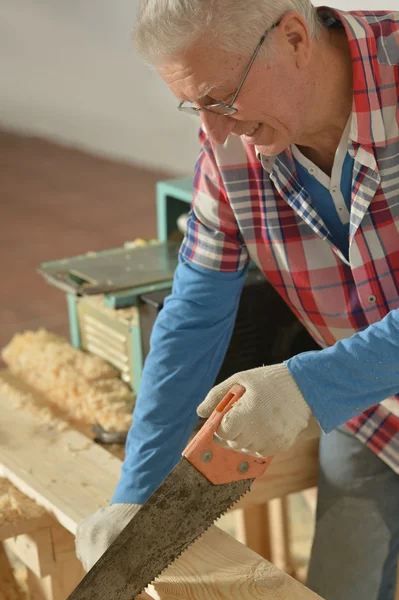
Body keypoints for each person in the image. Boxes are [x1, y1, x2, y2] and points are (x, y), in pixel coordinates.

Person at [75, 2, 399, 598]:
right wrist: (136, 498)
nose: (215, 130)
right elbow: (193, 315)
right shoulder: (229, 149)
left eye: (221, 99)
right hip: (375, 419)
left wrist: (311, 386)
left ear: (295, 38)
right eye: (194, 106)